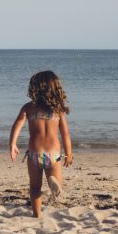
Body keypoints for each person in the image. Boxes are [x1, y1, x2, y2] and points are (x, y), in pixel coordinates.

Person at [9, 71, 74, 217]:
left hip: (34, 154)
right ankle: (54, 183)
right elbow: (65, 134)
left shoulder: (28, 107)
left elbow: (17, 125)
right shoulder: (58, 110)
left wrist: (13, 144)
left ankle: (36, 214)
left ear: (34, 88)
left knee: (35, 187)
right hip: (54, 155)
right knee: (58, 185)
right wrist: (69, 153)